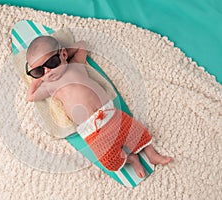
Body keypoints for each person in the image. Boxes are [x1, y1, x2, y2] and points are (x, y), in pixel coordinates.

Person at [25, 36, 172, 178]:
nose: (48, 71)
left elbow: (82, 45)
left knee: (137, 132)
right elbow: (30, 96)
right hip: (92, 130)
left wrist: (63, 56)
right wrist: (37, 79)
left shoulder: (76, 65)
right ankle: (131, 159)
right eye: (39, 71)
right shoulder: (49, 87)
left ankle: (152, 155)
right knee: (109, 161)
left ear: (63, 54)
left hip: (110, 113)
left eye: (52, 62)